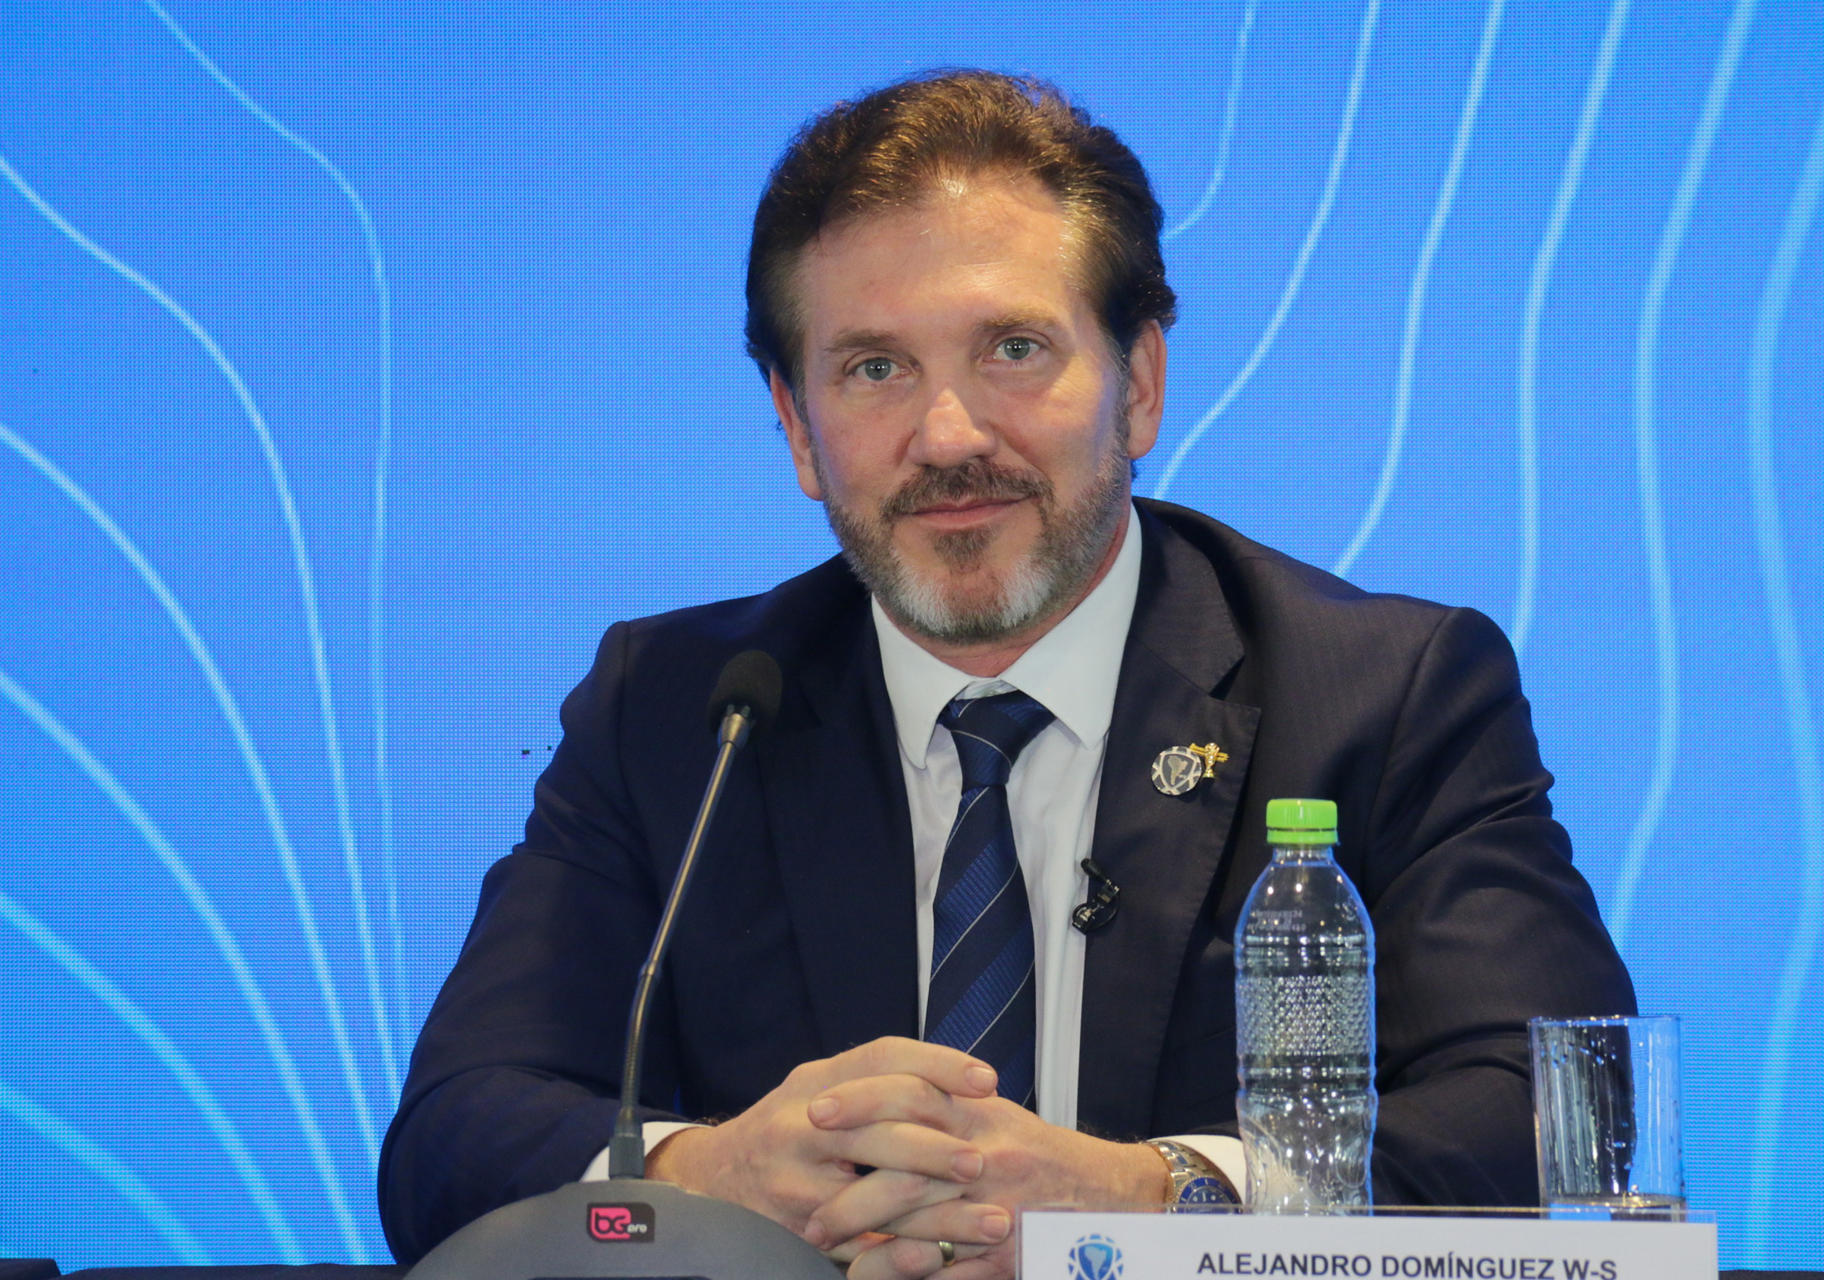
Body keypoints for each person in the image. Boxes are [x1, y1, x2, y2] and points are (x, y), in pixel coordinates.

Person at [379, 70, 1635, 1278]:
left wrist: (1150, 1202)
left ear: (1137, 385)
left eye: (1014, 349)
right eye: (874, 368)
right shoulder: (684, 709)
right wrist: (713, 1175)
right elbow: (452, 1136)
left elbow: (1556, 1122)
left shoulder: (1383, 691)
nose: (949, 437)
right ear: (795, 425)